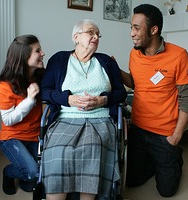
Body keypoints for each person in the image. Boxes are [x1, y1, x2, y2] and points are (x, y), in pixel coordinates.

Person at [40, 19, 127, 200]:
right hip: (65, 118)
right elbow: (45, 91)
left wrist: (103, 100)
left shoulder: (106, 62)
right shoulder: (59, 59)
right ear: (76, 37)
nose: (95, 37)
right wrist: (68, 99)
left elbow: (121, 93)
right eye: (90, 32)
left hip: (100, 118)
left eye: (98, 34)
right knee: (59, 149)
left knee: (92, 148)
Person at [121, 4, 188, 197]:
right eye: (131, 27)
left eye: (137, 28)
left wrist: (176, 137)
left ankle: (174, 157)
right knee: (132, 181)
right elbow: (135, 83)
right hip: (138, 129)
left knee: (166, 191)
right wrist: (115, 70)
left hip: (165, 134)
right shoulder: (133, 53)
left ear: (154, 30)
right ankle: (156, 161)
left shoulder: (179, 55)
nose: (132, 33)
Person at [0, 34, 45, 195]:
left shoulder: (41, 76)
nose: (43, 53)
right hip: (12, 137)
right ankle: (8, 172)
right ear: (24, 58)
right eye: (38, 51)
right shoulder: (5, 86)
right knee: (32, 173)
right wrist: (30, 100)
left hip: (34, 136)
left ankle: (23, 171)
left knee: (29, 185)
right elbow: (8, 120)